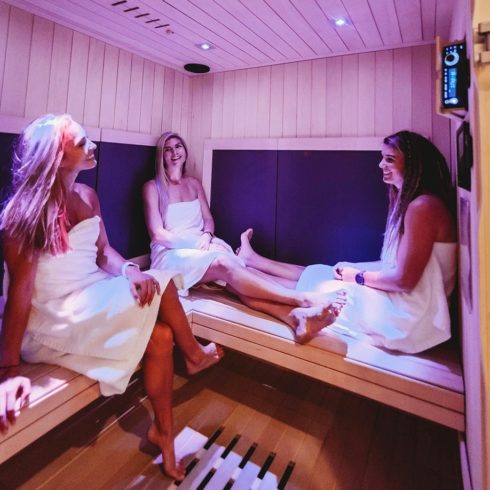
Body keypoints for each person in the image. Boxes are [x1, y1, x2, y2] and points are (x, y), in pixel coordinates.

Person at [0, 114, 224, 480]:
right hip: (53, 315)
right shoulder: (25, 213)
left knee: (162, 334)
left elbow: (104, 252)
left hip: (93, 292)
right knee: (163, 281)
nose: (93, 147)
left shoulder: (87, 195)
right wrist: (8, 370)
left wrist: (129, 271)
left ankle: (163, 435)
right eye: (82, 143)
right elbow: (21, 294)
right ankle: (195, 356)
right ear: (58, 156)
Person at [234, 131, 457, 354]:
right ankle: (250, 262)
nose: (381, 164)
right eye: (382, 157)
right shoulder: (414, 204)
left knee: (323, 288)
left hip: (409, 316)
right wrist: (355, 268)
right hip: (404, 302)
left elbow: (404, 281)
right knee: (324, 271)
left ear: (414, 164)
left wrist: (357, 276)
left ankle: (239, 274)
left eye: (389, 159)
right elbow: (395, 265)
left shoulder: (423, 207)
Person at [143, 132, 347, 343]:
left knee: (237, 281)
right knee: (225, 263)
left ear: (185, 151)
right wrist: (199, 244)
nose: (174, 153)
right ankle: (304, 299)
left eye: (178, 146)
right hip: (171, 256)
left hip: (201, 247)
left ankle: (296, 318)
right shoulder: (153, 187)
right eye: (167, 149)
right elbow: (158, 235)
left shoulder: (193, 184)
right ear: (161, 156)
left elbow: (208, 220)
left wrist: (207, 236)